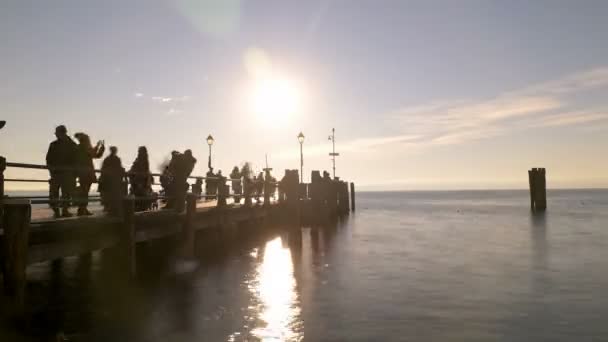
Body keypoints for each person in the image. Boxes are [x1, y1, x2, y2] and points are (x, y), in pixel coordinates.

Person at [46, 125, 78, 218]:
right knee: (55, 193)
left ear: (62, 133)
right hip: (58, 173)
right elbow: (48, 159)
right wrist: (51, 169)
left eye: (57, 132)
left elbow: (76, 160)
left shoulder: (71, 145)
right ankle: (58, 211)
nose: (55, 134)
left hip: (65, 173)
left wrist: (73, 173)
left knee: (64, 193)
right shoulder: (69, 144)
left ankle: (63, 211)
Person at [74, 132, 105, 216]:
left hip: (82, 173)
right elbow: (95, 154)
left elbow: (92, 153)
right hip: (87, 173)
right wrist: (101, 148)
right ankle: (82, 209)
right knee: (85, 192)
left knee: (84, 191)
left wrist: (98, 146)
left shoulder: (79, 147)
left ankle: (82, 209)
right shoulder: (84, 147)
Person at [99, 146, 125, 216]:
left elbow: (103, 169)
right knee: (113, 194)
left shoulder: (107, 159)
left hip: (109, 180)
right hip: (113, 180)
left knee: (108, 194)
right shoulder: (116, 159)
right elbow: (119, 168)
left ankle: (108, 207)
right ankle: (112, 207)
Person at [129, 146, 154, 211]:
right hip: (141, 185)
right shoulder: (142, 161)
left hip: (140, 185)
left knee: (137, 197)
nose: (138, 153)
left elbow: (144, 172)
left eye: (139, 151)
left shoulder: (141, 162)